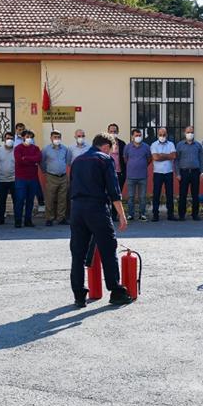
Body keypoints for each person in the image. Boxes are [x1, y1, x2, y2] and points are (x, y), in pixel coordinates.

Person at [69, 133, 133, 307]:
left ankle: (79, 296)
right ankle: (115, 290)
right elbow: (114, 190)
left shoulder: (77, 161)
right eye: (111, 150)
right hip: (96, 209)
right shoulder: (104, 160)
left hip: (76, 209)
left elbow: (71, 185)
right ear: (106, 147)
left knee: (78, 253)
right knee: (107, 248)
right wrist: (122, 214)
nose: (111, 153)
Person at [41, 130, 72, 227]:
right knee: (50, 198)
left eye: (58, 137)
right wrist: (46, 172)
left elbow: (67, 161)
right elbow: (42, 162)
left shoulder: (65, 149)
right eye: (55, 137)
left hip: (63, 176)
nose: (57, 139)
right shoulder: (46, 149)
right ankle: (49, 218)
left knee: (62, 198)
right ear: (51, 138)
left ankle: (61, 218)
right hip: (51, 176)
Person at [13, 130, 43, 228]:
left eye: (31, 137)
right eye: (27, 136)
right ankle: (18, 220)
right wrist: (31, 160)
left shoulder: (36, 148)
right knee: (20, 200)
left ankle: (28, 220)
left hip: (33, 178)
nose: (29, 138)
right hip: (21, 178)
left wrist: (26, 158)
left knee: (30, 200)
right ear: (22, 137)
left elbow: (38, 158)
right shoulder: (18, 148)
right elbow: (19, 161)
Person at [176, 125, 203, 221]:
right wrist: (178, 173)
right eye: (188, 132)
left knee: (195, 194)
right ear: (184, 133)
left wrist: (202, 172)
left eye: (191, 132)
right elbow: (177, 160)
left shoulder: (198, 145)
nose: (190, 134)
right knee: (183, 194)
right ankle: (181, 215)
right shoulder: (179, 145)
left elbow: (201, 159)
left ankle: (195, 214)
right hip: (184, 173)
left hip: (195, 172)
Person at [149, 128, 176, 222]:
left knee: (170, 194)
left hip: (169, 172)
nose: (162, 136)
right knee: (156, 194)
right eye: (160, 134)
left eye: (164, 134)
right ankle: (155, 215)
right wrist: (167, 156)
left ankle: (170, 214)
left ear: (167, 135)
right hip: (158, 173)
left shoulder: (171, 144)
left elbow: (173, 156)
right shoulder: (154, 144)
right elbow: (155, 157)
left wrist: (161, 155)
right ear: (157, 135)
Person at [124, 128, 151, 221]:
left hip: (143, 176)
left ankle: (142, 214)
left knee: (142, 197)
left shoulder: (146, 147)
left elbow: (149, 159)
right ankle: (130, 215)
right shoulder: (127, 147)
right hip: (131, 176)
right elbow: (125, 159)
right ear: (132, 137)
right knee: (131, 196)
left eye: (140, 136)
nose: (138, 137)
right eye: (136, 135)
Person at [0, 131, 18, 225]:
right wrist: (0, 171)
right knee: (2, 200)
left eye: (11, 138)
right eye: (7, 138)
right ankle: (1, 218)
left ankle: (17, 218)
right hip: (1, 179)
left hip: (14, 179)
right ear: (4, 139)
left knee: (16, 200)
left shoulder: (17, 150)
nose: (9, 140)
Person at [107, 123, 126, 194]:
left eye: (114, 132)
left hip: (119, 173)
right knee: (108, 193)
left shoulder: (122, 143)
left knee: (118, 193)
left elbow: (125, 158)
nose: (113, 133)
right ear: (108, 132)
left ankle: (116, 205)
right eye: (111, 131)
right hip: (107, 172)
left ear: (117, 132)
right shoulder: (104, 144)